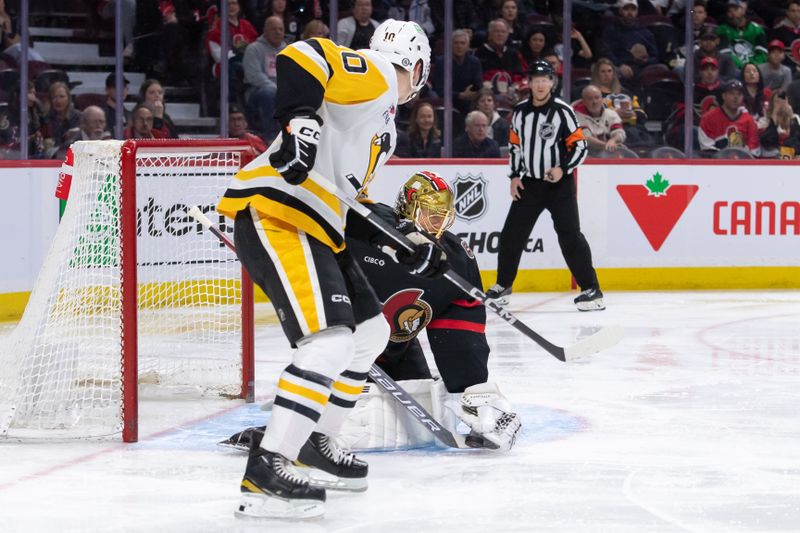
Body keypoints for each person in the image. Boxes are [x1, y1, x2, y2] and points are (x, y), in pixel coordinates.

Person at [216, 20, 440, 519]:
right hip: (279, 213)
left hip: (318, 224)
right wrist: (298, 121)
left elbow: (351, 205)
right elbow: (303, 54)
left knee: (370, 333)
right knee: (330, 342)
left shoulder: (382, 125)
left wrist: (406, 242)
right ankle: (268, 466)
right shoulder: (380, 74)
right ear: (418, 67)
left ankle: (316, 440)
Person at [222, 172, 522, 453]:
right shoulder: (363, 234)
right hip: (348, 349)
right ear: (407, 208)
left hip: (398, 349)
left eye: (442, 217)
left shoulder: (454, 259)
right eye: (429, 215)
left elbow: (460, 334)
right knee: (349, 423)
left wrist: (470, 390)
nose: (436, 225)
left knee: (417, 416)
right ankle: (284, 434)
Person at [485, 60, 603, 311]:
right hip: (530, 184)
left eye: (544, 79)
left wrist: (563, 169)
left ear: (552, 82)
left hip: (559, 186)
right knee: (511, 235)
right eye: (535, 80)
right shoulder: (519, 112)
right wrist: (515, 177)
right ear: (529, 82)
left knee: (570, 236)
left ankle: (592, 290)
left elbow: (580, 146)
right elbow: (515, 147)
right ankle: (503, 285)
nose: (540, 84)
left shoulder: (562, 111)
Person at [243, 15, 287, 140]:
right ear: (265, 31)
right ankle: (271, 136)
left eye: (280, 29)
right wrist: (277, 89)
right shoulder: (254, 49)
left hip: (282, 91)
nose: (278, 32)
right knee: (269, 93)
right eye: (274, 29)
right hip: (256, 91)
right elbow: (254, 75)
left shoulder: (289, 50)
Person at [601, 0, 660, 82]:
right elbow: (606, 52)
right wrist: (620, 65)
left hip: (642, 67)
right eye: (626, 9)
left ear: (637, 11)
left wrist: (645, 61)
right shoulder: (611, 30)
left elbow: (655, 56)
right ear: (620, 11)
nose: (630, 13)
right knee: (611, 72)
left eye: (633, 10)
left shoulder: (645, 32)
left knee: (661, 68)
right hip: (620, 66)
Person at [698, 79, 760, 155]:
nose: (735, 97)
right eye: (731, 93)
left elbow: (754, 150)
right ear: (723, 96)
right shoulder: (708, 118)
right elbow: (707, 149)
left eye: (739, 94)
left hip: (742, 164)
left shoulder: (749, 120)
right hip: (716, 164)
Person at [431, 29, 483, 115]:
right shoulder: (441, 62)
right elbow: (438, 89)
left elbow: (478, 84)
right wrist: (460, 95)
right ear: (450, 45)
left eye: (462, 43)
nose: (459, 46)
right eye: (456, 43)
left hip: (469, 100)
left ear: (468, 46)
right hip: (448, 101)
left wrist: (470, 92)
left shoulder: (475, 62)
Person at [574, 84, 626, 156]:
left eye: (597, 98)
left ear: (602, 99)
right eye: (590, 99)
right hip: (585, 158)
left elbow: (620, 133)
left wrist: (613, 140)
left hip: (610, 156)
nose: (594, 101)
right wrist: (606, 145)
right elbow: (586, 138)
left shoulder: (611, 114)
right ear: (584, 101)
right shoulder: (576, 117)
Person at [716, 0, 767, 68]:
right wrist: (743, 67)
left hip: (755, 69)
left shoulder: (757, 29)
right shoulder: (722, 30)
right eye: (729, 11)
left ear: (743, 10)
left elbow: (762, 53)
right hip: (733, 69)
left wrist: (753, 66)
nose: (733, 14)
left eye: (736, 9)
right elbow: (725, 53)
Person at [39, 81, 82, 159]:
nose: (58, 101)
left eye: (62, 97)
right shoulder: (45, 119)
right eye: (54, 97)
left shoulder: (79, 117)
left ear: (68, 98)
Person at [759, 89, 800, 158]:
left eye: (783, 101)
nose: (781, 104)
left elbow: (797, 140)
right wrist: (774, 116)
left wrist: (791, 118)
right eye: (777, 102)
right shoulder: (764, 121)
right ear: (772, 104)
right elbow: (768, 141)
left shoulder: (795, 118)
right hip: (772, 157)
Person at [102, 73, 131, 138]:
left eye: (123, 86)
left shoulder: (130, 115)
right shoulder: (102, 115)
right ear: (107, 90)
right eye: (116, 86)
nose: (121, 90)